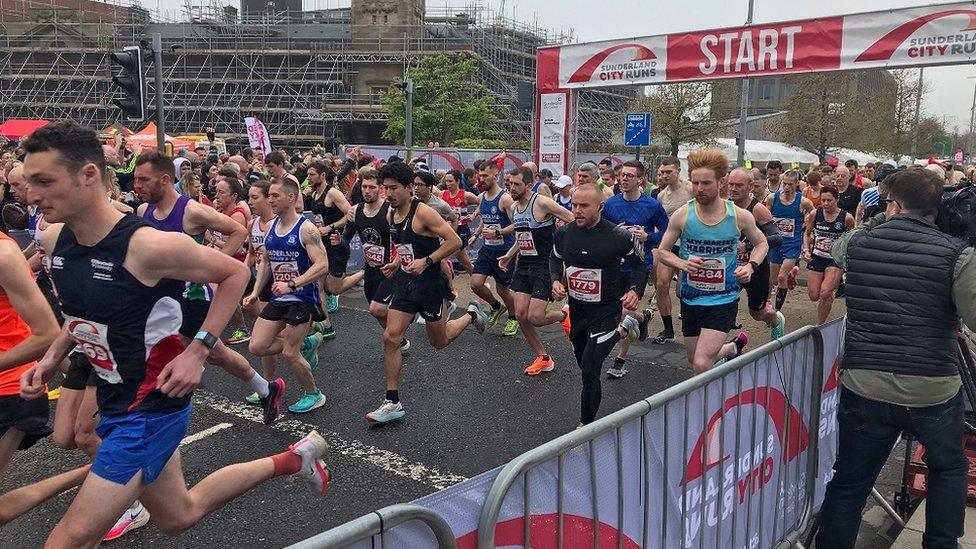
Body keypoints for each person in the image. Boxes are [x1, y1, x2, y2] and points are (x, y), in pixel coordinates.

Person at [21, 121, 330, 547]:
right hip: (116, 399)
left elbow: (235, 272)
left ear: (88, 175)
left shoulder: (146, 245)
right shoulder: (56, 239)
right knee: (178, 515)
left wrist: (197, 351)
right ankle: (295, 459)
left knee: (64, 542)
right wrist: (53, 357)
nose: (31, 194)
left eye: (43, 181)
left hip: (152, 405)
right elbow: (82, 314)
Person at [818, 167, 975, 549]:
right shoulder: (959, 255)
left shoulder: (858, 243)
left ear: (893, 204)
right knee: (949, 468)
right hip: (932, 387)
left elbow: (839, 249)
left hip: (865, 384)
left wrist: (876, 221)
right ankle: (940, 543)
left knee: (851, 480)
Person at [133, 152, 284, 425]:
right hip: (158, 296)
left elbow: (238, 232)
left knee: (212, 353)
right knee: (185, 350)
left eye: (144, 180)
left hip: (192, 295)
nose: (137, 185)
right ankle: (264, 388)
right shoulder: (143, 211)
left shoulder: (191, 211)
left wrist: (216, 265)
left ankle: (264, 388)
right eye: (135, 179)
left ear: (165, 180)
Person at [365, 162, 489, 424]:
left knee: (439, 342)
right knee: (391, 336)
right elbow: (403, 245)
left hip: (430, 284)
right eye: (385, 188)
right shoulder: (391, 213)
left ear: (410, 188)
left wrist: (427, 261)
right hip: (406, 283)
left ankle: (470, 314)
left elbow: (455, 241)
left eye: (394, 188)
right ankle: (392, 401)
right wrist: (396, 263)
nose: (389, 194)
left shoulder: (424, 213)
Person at [0, 219, 82, 528]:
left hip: (10, 388)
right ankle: (103, 471)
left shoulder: (4, 255)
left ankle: (109, 472)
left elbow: (47, 334)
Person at [656, 150, 768, 375]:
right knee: (693, 358)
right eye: (696, 183)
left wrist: (750, 266)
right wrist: (682, 264)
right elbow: (662, 252)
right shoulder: (682, 215)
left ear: (721, 182)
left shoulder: (738, 216)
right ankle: (731, 348)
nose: (699, 189)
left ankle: (705, 408)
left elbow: (762, 243)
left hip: (723, 298)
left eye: (706, 183)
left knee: (701, 362)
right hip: (692, 297)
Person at [550, 184, 645, 426]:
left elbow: (639, 267)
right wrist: (554, 281)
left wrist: (635, 290)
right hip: (578, 311)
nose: (577, 210)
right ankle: (626, 328)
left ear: (600, 207)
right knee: (584, 362)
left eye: (584, 206)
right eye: (574, 205)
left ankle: (586, 426)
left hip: (606, 312)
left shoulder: (618, 237)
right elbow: (555, 258)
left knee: (590, 369)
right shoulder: (564, 233)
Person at [245, 178, 330, 414]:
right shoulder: (271, 226)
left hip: (302, 298)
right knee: (257, 346)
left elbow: (322, 265)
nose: (270, 200)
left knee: (289, 353)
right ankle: (307, 343)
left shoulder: (306, 229)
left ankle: (314, 394)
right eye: (269, 196)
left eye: (275, 196)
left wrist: (293, 284)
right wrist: (254, 292)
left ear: (291, 198)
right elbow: (266, 261)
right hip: (279, 297)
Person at [498, 167, 573, 375]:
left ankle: (563, 314)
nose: (512, 188)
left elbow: (573, 219)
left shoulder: (542, 202)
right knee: (521, 315)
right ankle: (543, 357)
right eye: (510, 184)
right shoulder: (513, 207)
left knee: (535, 317)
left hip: (544, 264)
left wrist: (567, 245)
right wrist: (509, 255)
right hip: (524, 264)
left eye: (517, 185)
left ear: (529, 185)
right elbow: (522, 235)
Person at [600, 160, 669, 377]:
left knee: (625, 311)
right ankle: (643, 318)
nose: (624, 179)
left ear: (640, 180)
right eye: (622, 175)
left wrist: (649, 236)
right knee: (617, 312)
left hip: (639, 265)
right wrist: (614, 233)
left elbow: (668, 233)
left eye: (629, 175)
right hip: (614, 265)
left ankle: (620, 360)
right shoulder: (611, 204)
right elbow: (601, 232)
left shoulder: (652, 205)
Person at [726, 168, 786, 339]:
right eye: (731, 184)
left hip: (756, 269)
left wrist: (749, 247)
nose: (734, 189)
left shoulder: (758, 209)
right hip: (732, 269)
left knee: (757, 314)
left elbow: (777, 238)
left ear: (750, 186)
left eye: (739, 185)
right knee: (721, 304)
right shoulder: (724, 207)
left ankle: (775, 320)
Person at [468, 159, 519, 336]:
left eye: (485, 176)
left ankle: (513, 318)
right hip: (487, 249)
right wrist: (475, 235)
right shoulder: (481, 197)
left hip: (504, 250)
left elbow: (517, 224)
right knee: (475, 284)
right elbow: (484, 219)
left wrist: (498, 233)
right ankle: (496, 307)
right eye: (479, 176)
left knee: (502, 289)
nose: (481, 179)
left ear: (495, 176)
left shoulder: (505, 199)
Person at [241, 180, 279, 406]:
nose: (250, 202)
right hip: (261, 280)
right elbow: (252, 253)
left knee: (267, 336)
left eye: (255, 197)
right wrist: (243, 271)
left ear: (268, 198)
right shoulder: (252, 224)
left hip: (280, 281)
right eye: (249, 197)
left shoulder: (279, 223)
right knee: (265, 334)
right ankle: (268, 383)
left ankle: (268, 384)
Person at [303, 161, 355, 319]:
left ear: (323, 175)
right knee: (318, 285)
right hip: (320, 244)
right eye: (308, 175)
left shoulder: (332, 193)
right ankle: (325, 325)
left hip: (335, 243)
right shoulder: (313, 194)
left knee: (333, 288)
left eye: (312, 174)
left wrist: (330, 227)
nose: (309, 178)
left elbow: (351, 214)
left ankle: (363, 273)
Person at [652, 157, 693, 344]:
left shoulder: (691, 189)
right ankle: (668, 330)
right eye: (662, 172)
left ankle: (690, 325)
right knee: (661, 285)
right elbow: (661, 224)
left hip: (689, 247)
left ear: (678, 170)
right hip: (670, 247)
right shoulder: (661, 195)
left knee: (682, 291)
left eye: (669, 172)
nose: (664, 175)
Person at [802, 186, 853, 325]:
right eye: (823, 200)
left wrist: (846, 257)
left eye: (829, 200)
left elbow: (852, 238)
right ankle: (831, 292)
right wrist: (806, 250)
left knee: (824, 294)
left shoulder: (846, 218)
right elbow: (807, 234)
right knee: (813, 295)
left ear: (837, 199)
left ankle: (820, 325)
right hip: (817, 257)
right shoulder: (815, 214)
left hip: (834, 260)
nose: (825, 203)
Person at [211, 176, 251, 345]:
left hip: (238, 263)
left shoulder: (237, 215)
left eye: (221, 192)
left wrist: (214, 242)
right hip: (222, 261)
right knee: (227, 295)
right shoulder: (219, 212)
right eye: (216, 192)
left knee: (252, 304)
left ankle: (245, 328)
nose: (217, 196)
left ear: (233, 196)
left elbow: (236, 246)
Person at [766, 169, 813, 312]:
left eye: (790, 184)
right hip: (776, 243)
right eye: (784, 184)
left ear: (797, 184)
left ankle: (777, 311)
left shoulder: (803, 201)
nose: (786, 187)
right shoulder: (772, 198)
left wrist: (808, 222)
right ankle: (792, 274)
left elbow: (815, 213)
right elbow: (766, 218)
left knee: (781, 278)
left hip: (792, 245)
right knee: (774, 280)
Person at [440, 169, 479, 277]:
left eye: (450, 181)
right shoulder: (443, 194)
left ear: (457, 181)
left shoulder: (466, 195)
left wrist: (474, 214)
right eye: (446, 181)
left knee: (442, 260)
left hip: (462, 232)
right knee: (466, 264)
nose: (448, 184)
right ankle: (481, 284)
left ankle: (450, 290)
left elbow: (482, 202)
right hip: (450, 231)